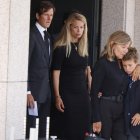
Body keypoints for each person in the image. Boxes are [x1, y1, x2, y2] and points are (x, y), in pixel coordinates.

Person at [90, 31, 140, 140]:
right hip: (105, 108)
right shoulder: (102, 63)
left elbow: (133, 60)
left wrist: (138, 67)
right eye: (123, 47)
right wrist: (96, 118)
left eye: (127, 47)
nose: (126, 51)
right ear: (113, 44)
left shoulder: (123, 63)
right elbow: (94, 92)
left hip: (122, 109)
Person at [51, 12, 91, 140]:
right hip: (67, 94)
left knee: (82, 129)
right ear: (69, 27)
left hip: (82, 95)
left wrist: (90, 89)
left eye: (82, 27)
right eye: (76, 27)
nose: (79, 30)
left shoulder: (83, 47)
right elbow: (56, 72)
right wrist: (57, 96)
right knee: (68, 129)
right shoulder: (61, 47)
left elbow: (86, 70)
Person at [26, 1, 55, 138]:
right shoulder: (31, 35)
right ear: (37, 15)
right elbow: (24, 64)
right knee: (31, 130)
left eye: (51, 15)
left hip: (46, 92)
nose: (49, 18)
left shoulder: (48, 37)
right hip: (33, 93)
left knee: (43, 131)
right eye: (46, 14)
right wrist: (27, 91)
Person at [122, 47, 140, 140]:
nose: (127, 68)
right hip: (127, 126)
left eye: (130, 65)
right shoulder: (125, 77)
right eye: (124, 65)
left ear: (136, 64)